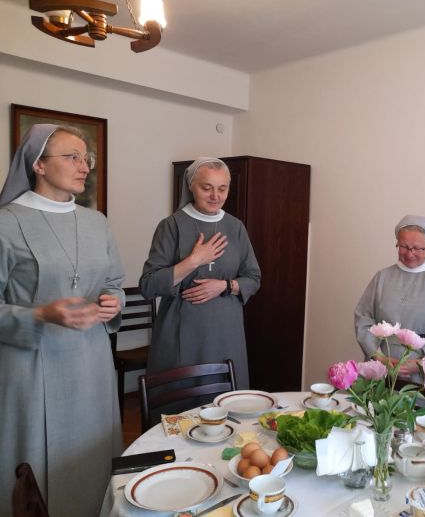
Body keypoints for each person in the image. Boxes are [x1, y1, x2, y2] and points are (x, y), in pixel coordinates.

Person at [0, 124, 125, 516]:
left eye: (86, 158)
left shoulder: (96, 221)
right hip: (33, 367)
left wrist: (113, 302)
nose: (84, 166)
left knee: (92, 459)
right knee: (39, 471)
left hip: (92, 365)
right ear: (38, 164)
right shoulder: (6, 222)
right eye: (72, 157)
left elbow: (114, 283)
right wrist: (40, 314)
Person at [140, 157, 260, 389]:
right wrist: (194, 260)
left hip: (226, 333)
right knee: (184, 400)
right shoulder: (171, 226)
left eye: (222, 189)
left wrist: (225, 286)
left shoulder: (236, 227)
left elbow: (253, 278)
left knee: (226, 400)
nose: (215, 196)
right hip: (183, 332)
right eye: (207, 188)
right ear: (191, 186)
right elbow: (148, 285)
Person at [355, 215, 425, 383]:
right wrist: (379, 357)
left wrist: (420, 363)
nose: (409, 253)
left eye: (417, 248)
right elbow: (363, 318)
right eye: (404, 246)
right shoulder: (382, 277)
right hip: (382, 367)